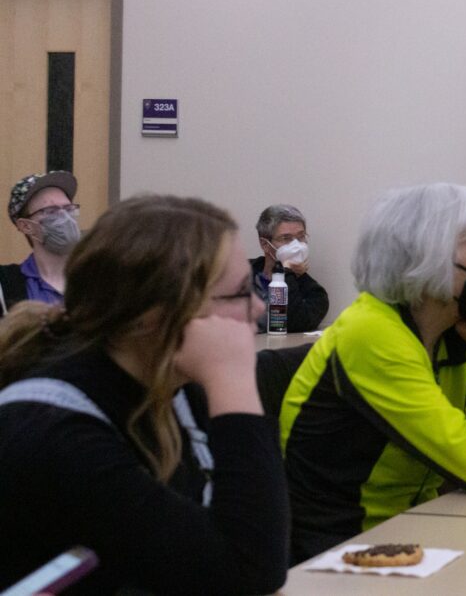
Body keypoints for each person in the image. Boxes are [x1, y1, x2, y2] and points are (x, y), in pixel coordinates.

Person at [0, 195, 289, 595]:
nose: (258, 307)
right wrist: (233, 382)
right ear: (156, 316)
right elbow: (246, 570)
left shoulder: (171, 387)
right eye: (239, 293)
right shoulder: (55, 434)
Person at [280, 183, 466, 564]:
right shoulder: (372, 332)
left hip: (418, 532)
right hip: (338, 553)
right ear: (430, 257)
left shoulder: (456, 326)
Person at [1, 171, 81, 318]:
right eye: (51, 211)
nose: (65, 218)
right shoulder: (6, 286)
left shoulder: (98, 279)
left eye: (69, 209)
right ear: (26, 226)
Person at [251, 204, 329, 332]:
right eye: (286, 238)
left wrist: (286, 273)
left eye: (301, 236)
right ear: (265, 244)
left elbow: (296, 324)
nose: (296, 245)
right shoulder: (239, 276)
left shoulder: (314, 294)